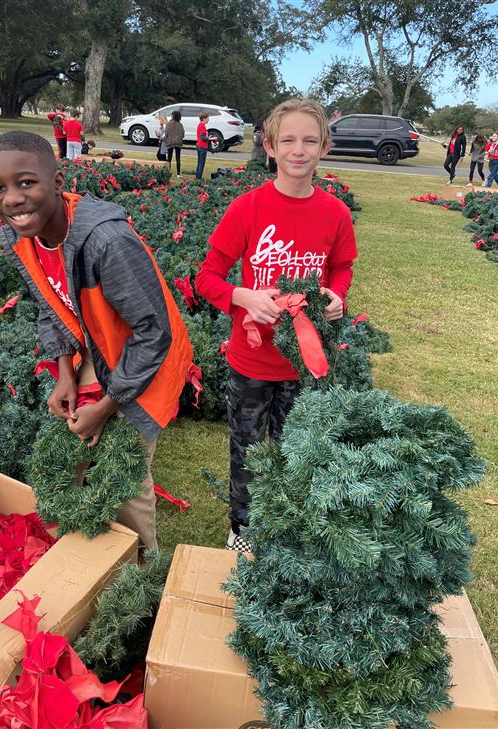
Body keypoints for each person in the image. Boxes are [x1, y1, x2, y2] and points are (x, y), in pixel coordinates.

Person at [0, 131, 193, 550]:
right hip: (100, 346)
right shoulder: (20, 236)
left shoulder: (107, 243)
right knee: (69, 448)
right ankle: (78, 557)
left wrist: (106, 406)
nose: (12, 199)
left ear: (58, 184)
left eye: (26, 183)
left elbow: (154, 335)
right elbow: (49, 304)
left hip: (149, 357)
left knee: (126, 472)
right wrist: (65, 373)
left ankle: (141, 571)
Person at [195, 98, 357, 552]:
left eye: (309, 140)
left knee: (296, 449)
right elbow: (205, 277)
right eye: (287, 140)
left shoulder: (335, 213)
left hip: (303, 365)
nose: (298, 150)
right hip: (250, 361)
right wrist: (241, 296)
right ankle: (244, 529)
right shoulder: (248, 208)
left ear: (324, 146)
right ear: (269, 147)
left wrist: (336, 296)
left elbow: (341, 267)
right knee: (248, 451)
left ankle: (287, 527)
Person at [164, 110, 184, 176]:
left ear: (173, 116)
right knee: (178, 158)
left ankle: (167, 172)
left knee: (169, 158)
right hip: (178, 143)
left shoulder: (169, 124)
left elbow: (166, 133)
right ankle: (178, 174)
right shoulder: (180, 124)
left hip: (170, 142)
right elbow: (183, 134)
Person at [195, 111, 210, 180]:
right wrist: (210, 138)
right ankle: (198, 178)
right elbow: (203, 137)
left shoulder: (200, 125)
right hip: (202, 147)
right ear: (204, 118)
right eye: (207, 118)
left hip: (199, 146)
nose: (208, 120)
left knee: (199, 163)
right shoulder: (202, 126)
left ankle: (197, 177)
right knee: (201, 164)